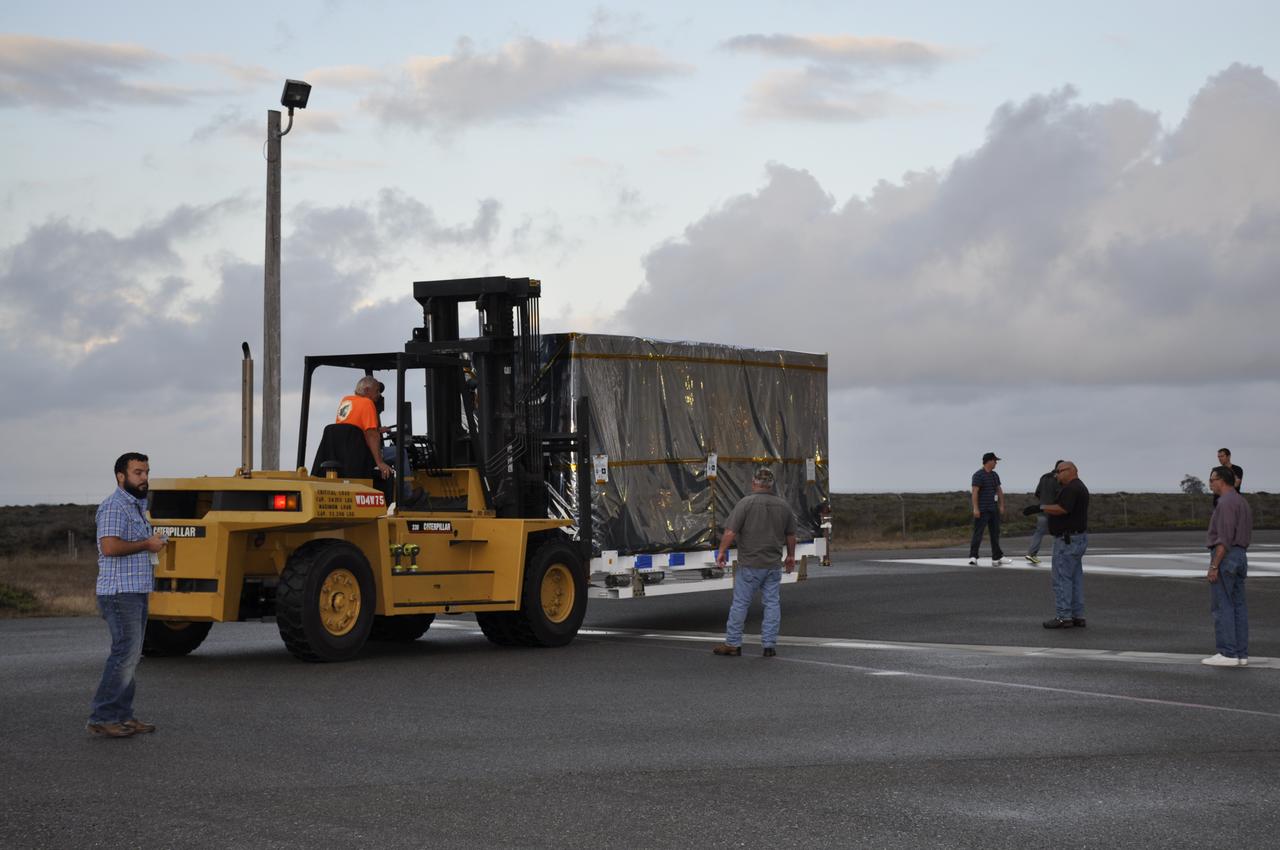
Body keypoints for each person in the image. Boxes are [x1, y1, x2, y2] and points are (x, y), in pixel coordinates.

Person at [88, 453, 167, 738]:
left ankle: (123, 715)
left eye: (146, 472)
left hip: (136, 590)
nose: (144, 478)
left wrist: (152, 542)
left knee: (131, 656)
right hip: (120, 593)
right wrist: (147, 543)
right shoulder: (114, 507)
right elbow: (109, 547)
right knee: (124, 655)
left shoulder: (136, 507)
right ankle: (103, 716)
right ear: (121, 476)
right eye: (137, 472)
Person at [712, 466, 798, 658]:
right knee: (772, 604)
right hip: (773, 564)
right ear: (771, 485)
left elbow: (731, 531)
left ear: (754, 482)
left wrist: (722, 551)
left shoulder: (746, 503)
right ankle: (769, 645)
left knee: (741, 604)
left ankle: (733, 644)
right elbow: (791, 535)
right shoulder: (783, 506)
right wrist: (790, 556)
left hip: (750, 564)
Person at [1202, 466, 1252, 667]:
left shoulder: (1225, 503)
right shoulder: (1242, 501)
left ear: (1221, 480)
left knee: (1222, 605)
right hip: (1241, 555)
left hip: (1227, 556)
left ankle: (1227, 652)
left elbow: (1224, 539)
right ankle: (1241, 653)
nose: (1210, 483)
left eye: (1212, 479)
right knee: (1238, 605)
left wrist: (1214, 566)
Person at [1033, 461, 1090, 629]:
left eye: (1059, 471)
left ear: (1070, 471)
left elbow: (1063, 509)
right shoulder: (1080, 487)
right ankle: (1077, 615)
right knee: (1075, 578)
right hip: (1077, 539)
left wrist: (1041, 507)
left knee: (1061, 578)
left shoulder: (1072, 488)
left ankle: (1063, 616)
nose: (1057, 475)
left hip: (1067, 541)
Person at [336, 376, 394, 482]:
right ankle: (406, 493)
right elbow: (371, 435)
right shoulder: (367, 403)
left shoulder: (346, 401)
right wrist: (380, 463)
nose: (379, 395)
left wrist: (378, 429)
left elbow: (353, 430)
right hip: (362, 453)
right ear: (367, 390)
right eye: (377, 391)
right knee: (400, 453)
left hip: (344, 454)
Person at [969, 452, 1010, 566]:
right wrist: (975, 509)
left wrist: (1001, 506)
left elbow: (999, 490)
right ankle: (973, 556)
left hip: (993, 509)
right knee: (978, 533)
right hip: (982, 509)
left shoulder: (994, 475)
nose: (996, 463)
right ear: (989, 461)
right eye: (994, 460)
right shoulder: (978, 475)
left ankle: (997, 556)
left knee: (995, 533)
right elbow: (975, 492)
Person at [1024, 461, 1063, 565]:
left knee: (1039, 532)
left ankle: (1031, 554)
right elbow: (1060, 495)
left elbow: (1037, 493)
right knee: (1058, 534)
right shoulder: (1058, 478)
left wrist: (1043, 503)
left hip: (1042, 510)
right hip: (1053, 510)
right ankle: (1059, 556)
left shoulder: (1044, 477)